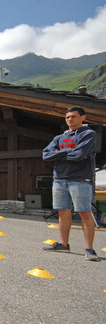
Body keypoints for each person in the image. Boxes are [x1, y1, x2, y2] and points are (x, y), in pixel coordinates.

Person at [42, 106, 100, 261]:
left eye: (73, 116)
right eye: (67, 117)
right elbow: (46, 155)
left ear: (83, 117)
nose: (70, 119)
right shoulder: (58, 138)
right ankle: (63, 244)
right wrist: (69, 151)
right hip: (60, 179)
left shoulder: (88, 134)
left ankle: (89, 248)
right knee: (63, 212)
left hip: (80, 179)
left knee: (85, 213)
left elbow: (79, 155)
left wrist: (58, 154)